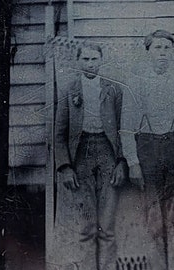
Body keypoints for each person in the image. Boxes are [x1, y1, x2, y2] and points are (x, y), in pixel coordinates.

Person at [120, 30, 174, 270]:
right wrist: (133, 162)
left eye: (167, 48)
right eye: (157, 48)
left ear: (172, 52)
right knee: (152, 215)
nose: (162, 53)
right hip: (148, 151)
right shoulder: (135, 82)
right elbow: (126, 127)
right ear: (148, 52)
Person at [54, 42, 128, 270]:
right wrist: (65, 167)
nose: (90, 64)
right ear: (78, 62)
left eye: (94, 59)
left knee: (106, 227)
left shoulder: (113, 90)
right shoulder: (70, 90)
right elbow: (59, 134)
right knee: (86, 227)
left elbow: (124, 128)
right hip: (81, 156)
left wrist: (122, 162)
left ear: (101, 61)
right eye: (85, 59)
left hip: (108, 154)